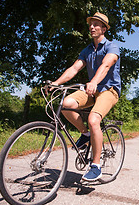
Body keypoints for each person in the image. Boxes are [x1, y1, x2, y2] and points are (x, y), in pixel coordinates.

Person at [51, 12, 121, 181]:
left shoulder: (112, 47)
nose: (92, 27)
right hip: (92, 89)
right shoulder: (87, 50)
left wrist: (94, 81)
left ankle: (96, 166)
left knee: (93, 120)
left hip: (109, 90)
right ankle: (86, 134)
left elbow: (106, 65)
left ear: (104, 28)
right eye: (91, 24)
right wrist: (56, 83)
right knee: (67, 103)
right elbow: (74, 69)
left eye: (96, 24)